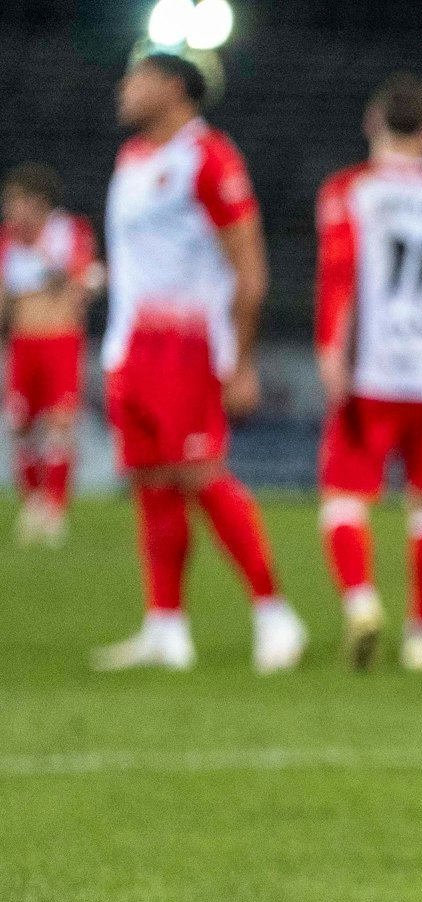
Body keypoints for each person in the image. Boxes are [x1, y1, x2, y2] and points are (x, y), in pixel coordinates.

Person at [93, 52, 307, 674]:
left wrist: (240, 361)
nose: (123, 90)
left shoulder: (208, 158)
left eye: (134, 79)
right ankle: (166, 628)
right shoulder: (132, 158)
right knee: (151, 483)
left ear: (170, 87)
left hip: (186, 342)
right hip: (131, 343)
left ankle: (276, 615)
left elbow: (250, 268)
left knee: (201, 473)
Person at [316, 74, 422, 672]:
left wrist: (330, 351)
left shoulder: (350, 191)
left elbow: (338, 274)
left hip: (371, 370)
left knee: (344, 499)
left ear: (373, 121)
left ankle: (363, 604)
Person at [4, 163, 101, 547]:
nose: (10, 211)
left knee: (61, 423)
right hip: (22, 343)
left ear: (38, 203)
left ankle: (55, 509)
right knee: (20, 425)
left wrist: (81, 284)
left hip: (60, 340)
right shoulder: (7, 244)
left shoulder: (67, 233)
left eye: (15, 203)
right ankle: (32, 505)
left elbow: (85, 279)